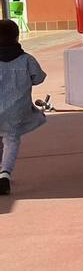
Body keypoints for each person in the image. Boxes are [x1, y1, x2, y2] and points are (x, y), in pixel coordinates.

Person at [0, 20, 46, 195]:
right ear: (17, 37)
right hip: (15, 112)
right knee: (11, 139)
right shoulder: (27, 59)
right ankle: (4, 175)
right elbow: (39, 78)